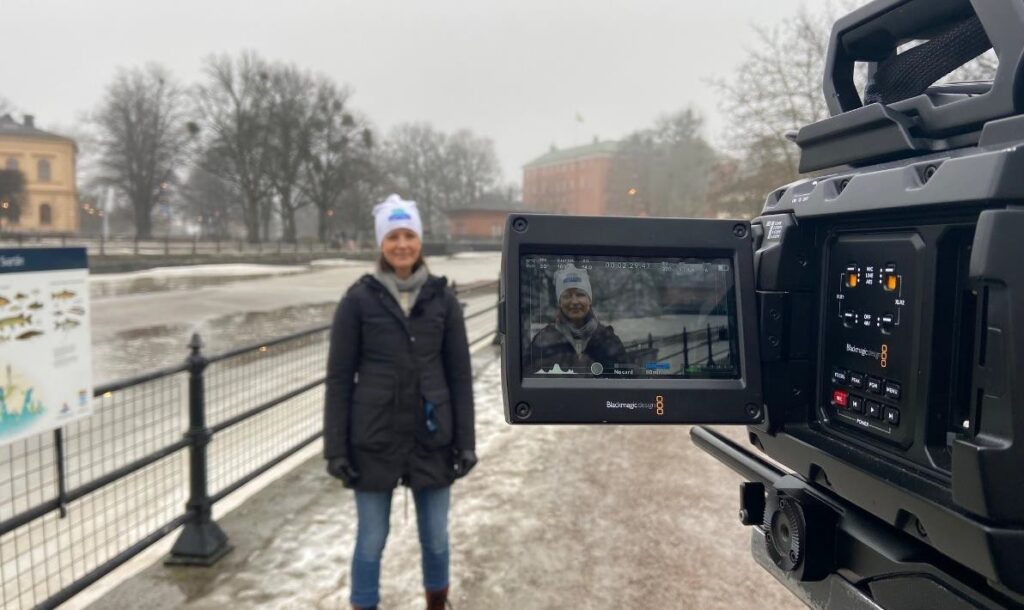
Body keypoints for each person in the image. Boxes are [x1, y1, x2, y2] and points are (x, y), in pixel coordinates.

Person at [323, 194, 477, 610]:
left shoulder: (442, 300)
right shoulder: (358, 301)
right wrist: (335, 448)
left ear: (420, 240)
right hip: (374, 437)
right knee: (371, 539)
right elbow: (339, 379)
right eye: (393, 236)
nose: (402, 244)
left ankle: (437, 603)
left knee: (436, 537)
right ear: (381, 243)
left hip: (433, 437)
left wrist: (466, 441)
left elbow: (460, 375)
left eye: (409, 234)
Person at [528, 265, 628, 374]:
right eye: (567, 296)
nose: (574, 301)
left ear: (589, 300)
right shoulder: (543, 340)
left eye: (580, 294)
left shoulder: (607, 339)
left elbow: (625, 379)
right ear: (559, 302)